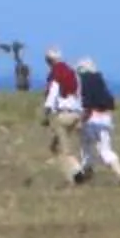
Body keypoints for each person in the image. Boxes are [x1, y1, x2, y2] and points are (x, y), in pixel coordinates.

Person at [72, 58, 120, 186]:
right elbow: (110, 101)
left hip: (90, 118)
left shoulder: (83, 81)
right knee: (105, 149)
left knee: (86, 148)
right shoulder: (100, 80)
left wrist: (81, 120)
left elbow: (87, 103)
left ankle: (87, 173)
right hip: (105, 118)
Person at [39, 46, 83, 180]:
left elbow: (52, 96)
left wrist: (46, 115)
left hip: (63, 115)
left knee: (62, 151)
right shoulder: (72, 73)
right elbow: (79, 93)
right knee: (56, 146)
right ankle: (78, 172)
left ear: (49, 60)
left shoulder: (55, 75)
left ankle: (77, 174)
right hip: (76, 113)